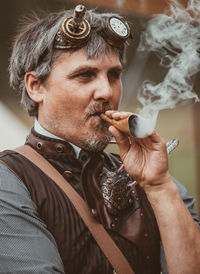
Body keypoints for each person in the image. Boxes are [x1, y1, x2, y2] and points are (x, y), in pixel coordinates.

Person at [0, 4, 200, 274]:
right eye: (85, 75)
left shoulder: (151, 176)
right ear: (36, 86)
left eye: (114, 75)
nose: (106, 91)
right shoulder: (9, 181)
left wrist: (160, 186)